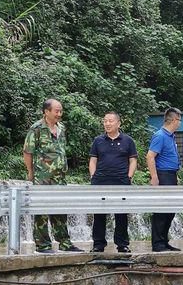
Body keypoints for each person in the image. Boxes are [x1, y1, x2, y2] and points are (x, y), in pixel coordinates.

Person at [23, 98, 83, 254]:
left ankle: (64, 243)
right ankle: (43, 245)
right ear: (46, 111)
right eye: (56, 111)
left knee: (61, 209)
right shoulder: (36, 129)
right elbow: (27, 152)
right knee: (41, 211)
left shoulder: (61, 128)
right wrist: (30, 172)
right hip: (42, 177)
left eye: (61, 111)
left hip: (60, 178)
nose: (59, 114)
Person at [89, 111, 138, 253]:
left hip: (121, 181)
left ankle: (122, 244)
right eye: (105, 121)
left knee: (121, 213)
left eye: (110, 121)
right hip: (100, 181)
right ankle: (98, 244)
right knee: (99, 213)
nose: (107, 123)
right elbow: (93, 160)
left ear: (118, 123)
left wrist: (129, 176)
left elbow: (133, 160)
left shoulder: (128, 140)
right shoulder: (98, 140)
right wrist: (93, 176)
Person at [146, 107, 182, 252]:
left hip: (171, 175)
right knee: (161, 210)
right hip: (162, 175)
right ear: (173, 120)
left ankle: (164, 241)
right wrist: (154, 177)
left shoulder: (170, 136)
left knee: (170, 210)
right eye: (179, 120)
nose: (180, 123)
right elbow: (150, 156)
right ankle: (157, 243)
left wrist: (176, 175)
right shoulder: (160, 135)